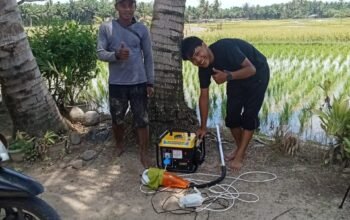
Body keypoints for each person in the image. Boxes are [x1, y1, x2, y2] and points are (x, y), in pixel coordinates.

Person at [181, 36, 270, 172]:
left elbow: (251, 69)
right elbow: (204, 96)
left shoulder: (225, 48)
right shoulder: (204, 69)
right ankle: (241, 148)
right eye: (193, 59)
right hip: (235, 76)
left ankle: (240, 155)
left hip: (257, 72)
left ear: (204, 44)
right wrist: (203, 127)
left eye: (198, 53)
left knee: (249, 115)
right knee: (232, 117)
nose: (198, 60)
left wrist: (228, 76)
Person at [97, 0, 154, 168]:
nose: (127, 9)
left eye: (131, 5)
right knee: (117, 119)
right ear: (117, 7)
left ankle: (143, 152)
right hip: (117, 83)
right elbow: (100, 53)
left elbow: (149, 57)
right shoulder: (106, 28)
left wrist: (150, 82)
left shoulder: (142, 29)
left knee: (142, 119)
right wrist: (116, 55)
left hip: (139, 82)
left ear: (135, 7)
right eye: (123, 5)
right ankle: (119, 146)